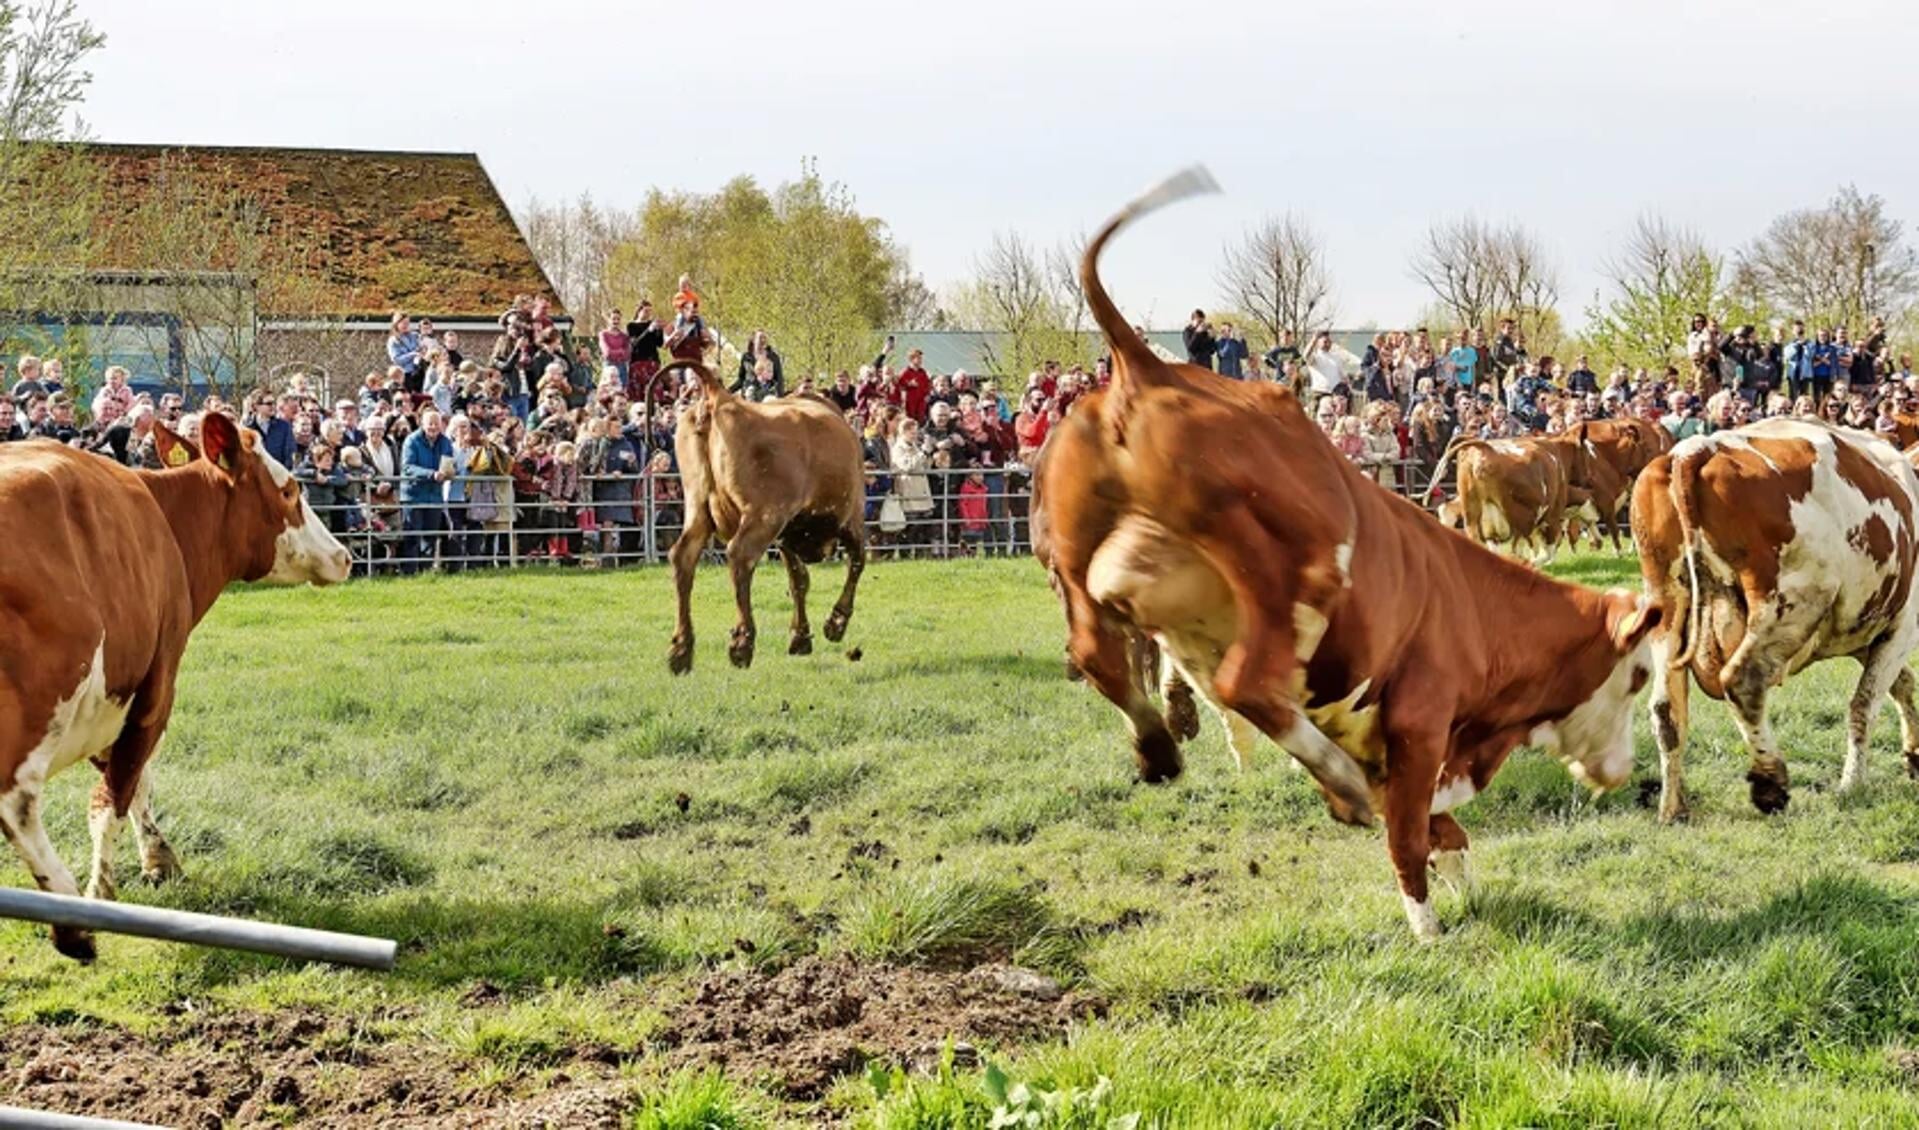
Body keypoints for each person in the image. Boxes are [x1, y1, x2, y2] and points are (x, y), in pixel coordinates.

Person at [400, 409, 454, 573]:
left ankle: (426, 570)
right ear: (422, 424)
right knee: (412, 536)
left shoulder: (445, 442)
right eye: (430, 423)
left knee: (430, 537)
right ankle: (409, 571)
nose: (433, 427)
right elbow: (408, 467)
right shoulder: (412, 441)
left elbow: (448, 461)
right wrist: (431, 474)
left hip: (434, 496)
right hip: (413, 496)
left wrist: (449, 471)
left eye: (437, 424)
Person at [895, 348, 932, 420]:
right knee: (910, 418)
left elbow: (927, 385)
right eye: (918, 358)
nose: (920, 360)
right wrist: (909, 384)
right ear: (911, 359)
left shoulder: (922, 372)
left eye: (920, 358)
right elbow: (899, 384)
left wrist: (927, 394)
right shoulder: (905, 372)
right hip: (910, 401)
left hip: (921, 402)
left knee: (920, 419)